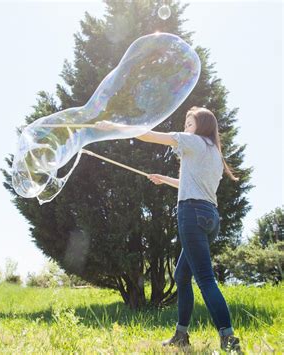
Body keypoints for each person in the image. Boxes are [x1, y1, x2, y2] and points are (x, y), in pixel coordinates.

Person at [95, 107, 241, 352]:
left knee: (205, 279)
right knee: (182, 277)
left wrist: (114, 128)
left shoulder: (191, 141)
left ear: (202, 126)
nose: (185, 126)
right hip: (209, 217)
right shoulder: (213, 152)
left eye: (190, 122)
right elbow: (193, 184)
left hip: (192, 215)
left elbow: (148, 135)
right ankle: (181, 336)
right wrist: (165, 179)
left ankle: (228, 338)